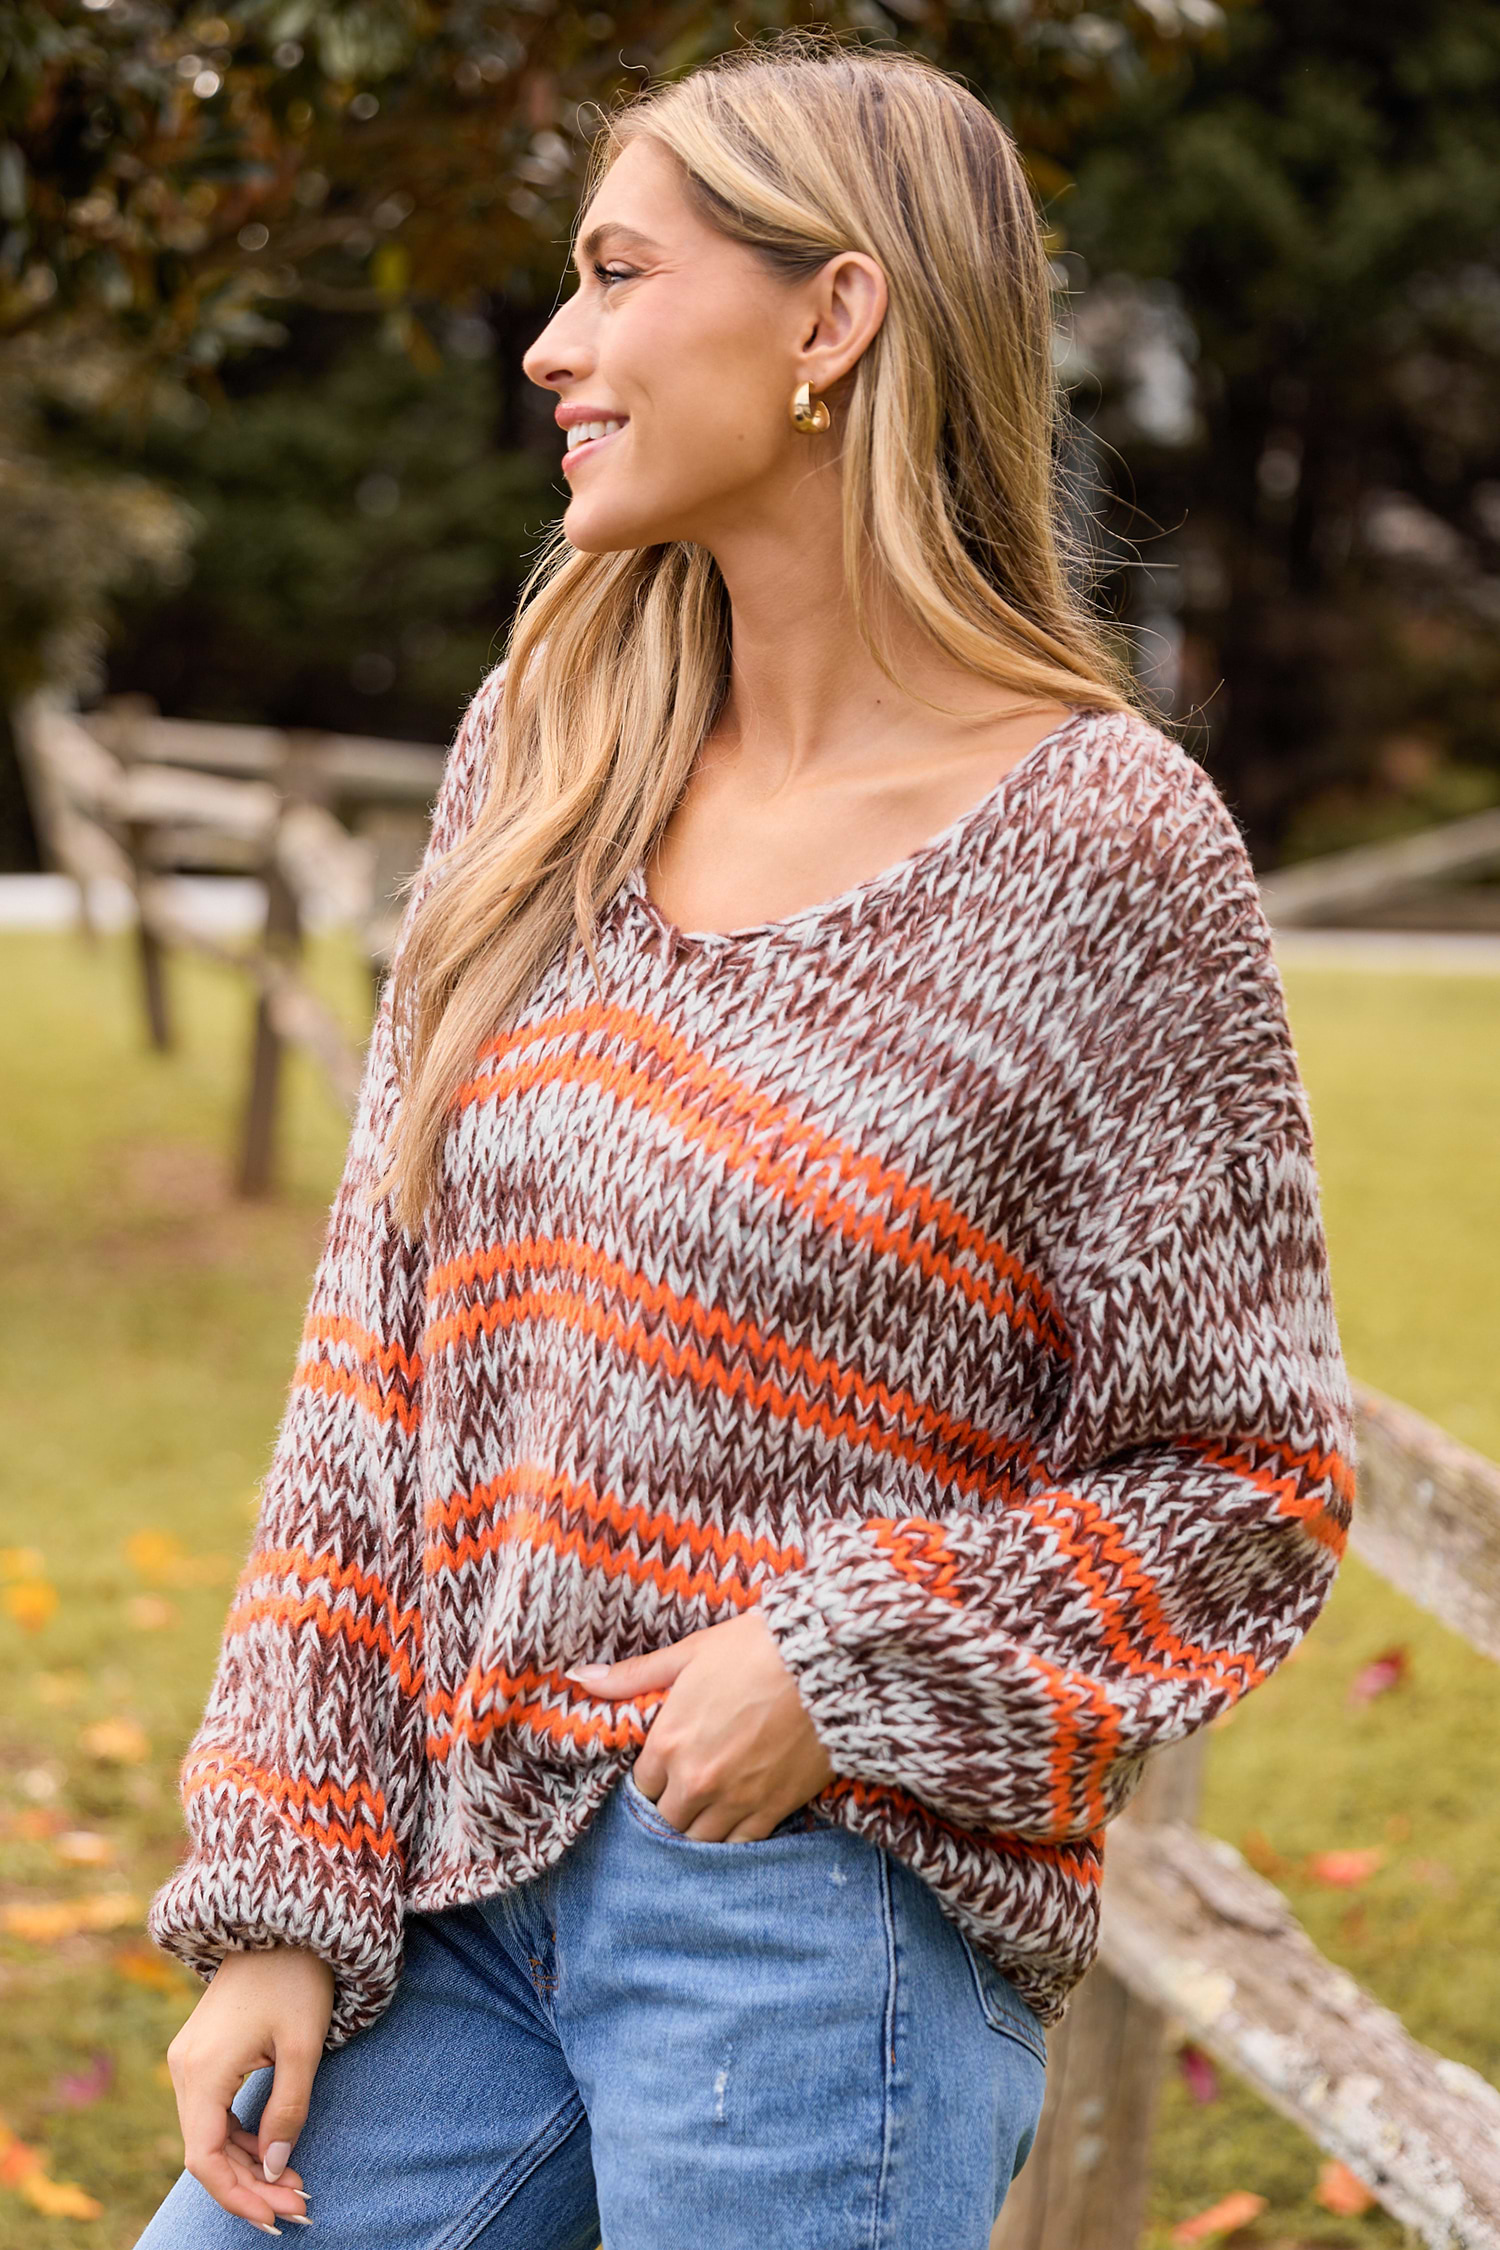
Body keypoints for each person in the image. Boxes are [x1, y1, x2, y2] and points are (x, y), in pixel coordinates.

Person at [135, 29, 1353, 2250]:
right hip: (460, 1890)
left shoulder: (1105, 847)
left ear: (834, 317)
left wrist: (840, 1664)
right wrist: (285, 1886)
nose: (552, 344)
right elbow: (374, 1337)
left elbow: (1250, 1481)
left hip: (819, 1934)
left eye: (617, 274)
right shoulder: (551, 743)